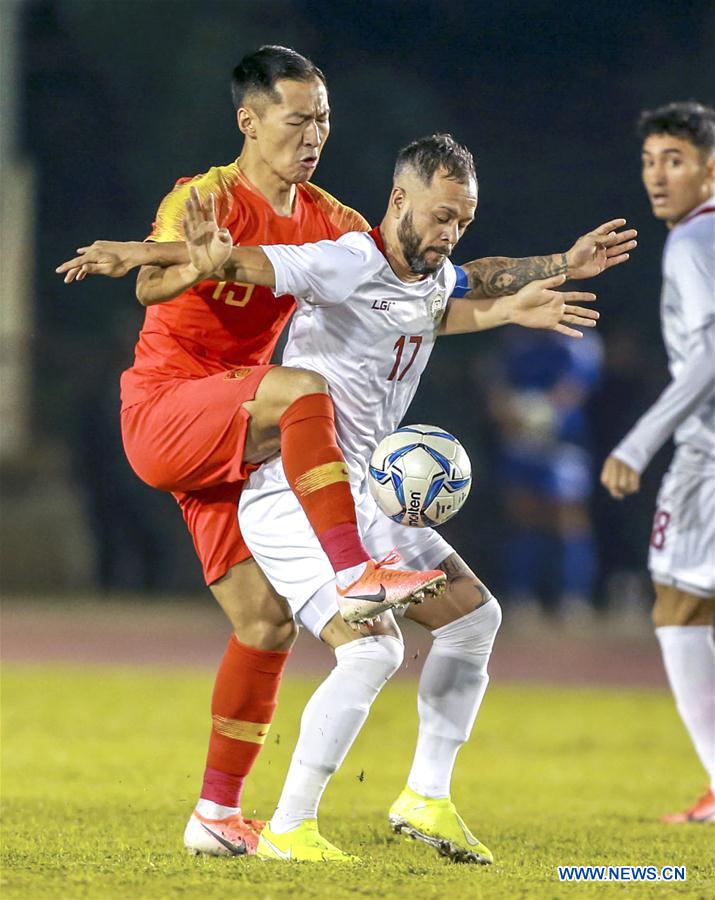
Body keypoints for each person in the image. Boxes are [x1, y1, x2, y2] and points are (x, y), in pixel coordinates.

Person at [57, 47, 636, 856]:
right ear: (249, 121)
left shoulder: (334, 220)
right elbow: (159, 290)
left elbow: (441, 284)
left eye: (324, 118)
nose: (315, 133)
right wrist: (151, 254)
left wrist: (540, 279)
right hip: (178, 407)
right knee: (304, 396)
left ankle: (222, 817)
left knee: (269, 625)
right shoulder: (205, 197)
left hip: (255, 429)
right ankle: (301, 796)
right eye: (299, 118)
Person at [164, 133, 611, 863]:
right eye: (440, 216)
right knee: (372, 652)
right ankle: (290, 824)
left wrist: (555, 269)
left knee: (473, 619)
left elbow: (471, 284)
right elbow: (260, 264)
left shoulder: (429, 274)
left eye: (461, 221)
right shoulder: (345, 258)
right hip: (294, 498)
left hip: (370, 500)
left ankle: (425, 798)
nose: (449, 234)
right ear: (398, 198)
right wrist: (211, 253)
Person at [601, 101, 715, 825]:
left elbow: (710, 353)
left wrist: (637, 442)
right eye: (648, 161)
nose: (656, 175)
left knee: (676, 603)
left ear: (708, 166)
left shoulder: (691, 242)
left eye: (672, 159)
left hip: (706, 454)